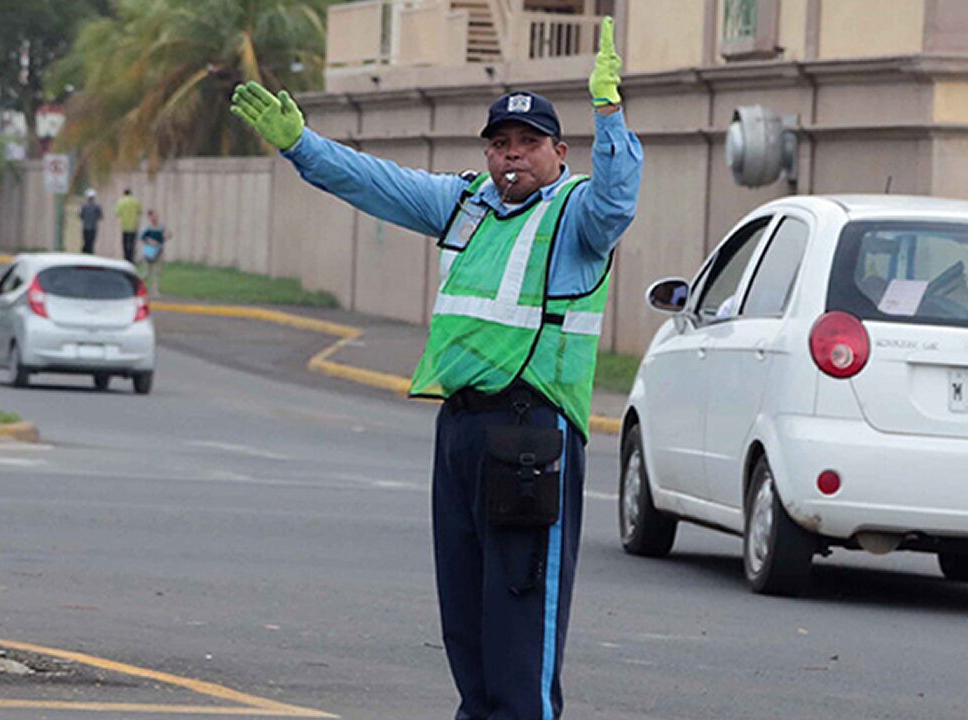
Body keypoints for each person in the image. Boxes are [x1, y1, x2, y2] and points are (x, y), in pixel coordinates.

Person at [231, 17, 640, 720]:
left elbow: (618, 199)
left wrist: (610, 115)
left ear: (558, 151)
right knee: (467, 615)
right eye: (501, 144)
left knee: (521, 620)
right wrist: (302, 145)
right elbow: (374, 182)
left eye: (529, 144)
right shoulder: (465, 206)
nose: (513, 157)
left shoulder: (576, 217)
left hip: (531, 436)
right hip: (461, 433)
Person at [138, 209, 168, 296]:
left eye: (156, 216)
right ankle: (138, 286)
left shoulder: (161, 227)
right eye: (153, 216)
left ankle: (155, 290)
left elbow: (163, 238)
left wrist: (165, 237)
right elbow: (142, 238)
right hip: (149, 250)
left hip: (158, 250)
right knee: (146, 272)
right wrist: (150, 241)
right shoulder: (147, 228)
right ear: (150, 217)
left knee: (157, 272)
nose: (155, 218)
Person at [114, 188, 142, 262]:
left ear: (124, 193)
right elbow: (140, 212)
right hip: (133, 226)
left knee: (125, 243)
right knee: (132, 243)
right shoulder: (136, 201)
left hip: (125, 226)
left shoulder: (121, 201)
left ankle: (126, 258)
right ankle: (131, 259)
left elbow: (117, 213)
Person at [78, 189, 103, 254]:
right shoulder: (97, 207)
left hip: (85, 227)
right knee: (91, 241)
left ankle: (86, 251)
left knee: (86, 241)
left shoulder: (84, 206)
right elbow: (100, 216)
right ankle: (90, 252)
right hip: (93, 227)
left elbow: (80, 216)